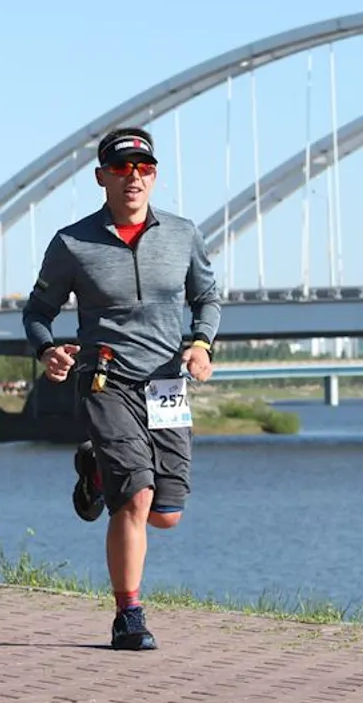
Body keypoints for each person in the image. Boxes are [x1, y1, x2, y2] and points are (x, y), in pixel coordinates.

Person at [22, 127, 221, 651]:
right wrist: (48, 351)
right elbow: (38, 312)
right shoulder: (72, 243)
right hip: (106, 378)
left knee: (166, 514)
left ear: (154, 176)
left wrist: (201, 344)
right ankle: (128, 615)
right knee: (134, 498)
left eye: (144, 168)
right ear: (101, 177)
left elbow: (207, 297)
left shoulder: (183, 234)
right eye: (121, 168)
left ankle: (93, 468)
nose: (134, 177)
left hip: (167, 384)